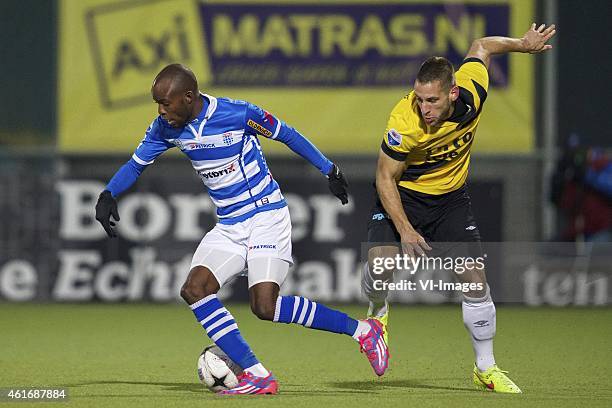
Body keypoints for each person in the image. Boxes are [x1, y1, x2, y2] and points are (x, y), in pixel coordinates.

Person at [95, 64, 388, 395]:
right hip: (229, 225)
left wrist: (329, 169)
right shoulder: (166, 128)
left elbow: (286, 133)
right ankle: (257, 374)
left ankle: (365, 332)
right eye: (157, 104)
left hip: (266, 217)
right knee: (194, 289)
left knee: (265, 306)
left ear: (188, 97)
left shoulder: (238, 114)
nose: (161, 111)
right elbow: (135, 165)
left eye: (165, 103)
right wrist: (108, 194)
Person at [361, 23, 556, 393]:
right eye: (419, 99)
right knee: (378, 268)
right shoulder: (404, 124)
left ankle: (486, 368)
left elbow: (481, 45)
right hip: (404, 197)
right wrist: (404, 229)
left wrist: (522, 45)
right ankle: (378, 312)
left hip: (450, 201)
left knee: (475, 279)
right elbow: (384, 179)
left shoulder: (473, 91)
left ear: (453, 92)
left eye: (432, 100)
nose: (424, 108)